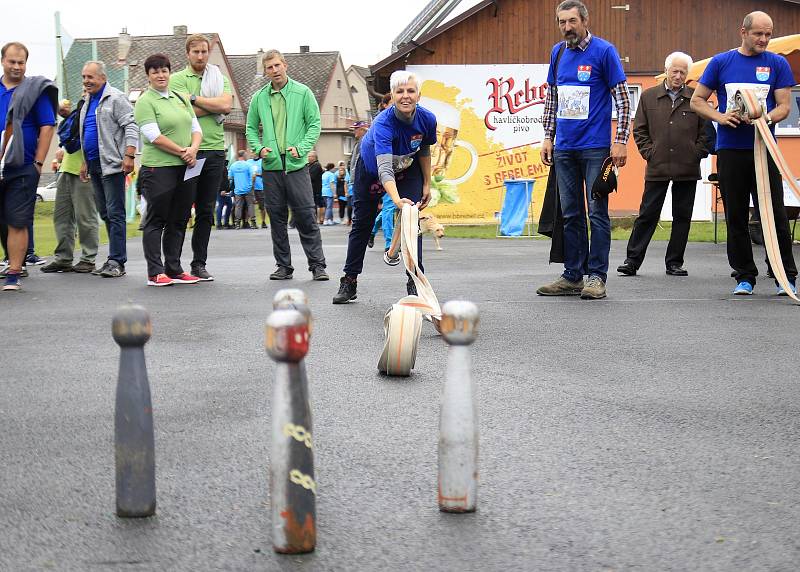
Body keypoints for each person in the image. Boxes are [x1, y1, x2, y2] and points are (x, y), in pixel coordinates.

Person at [691, 10, 797, 295]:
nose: (764, 39)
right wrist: (721, 118)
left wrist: (767, 118)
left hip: (764, 149)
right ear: (743, 32)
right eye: (758, 34)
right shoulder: (722, 62)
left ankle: (784, 276)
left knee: (773, 214)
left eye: (768, 34)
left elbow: (785, 106)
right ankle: (744, 276)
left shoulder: (777, 63)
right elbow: (697, 101)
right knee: (736, 215)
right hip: (731, 150)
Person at [536, 0, 631, 300]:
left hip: (595, 148)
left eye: (572, 21)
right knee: (571, 214)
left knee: (597, 214)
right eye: (562, 22)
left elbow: (624, 99)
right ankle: (572, 275)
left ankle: (596, 277)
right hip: (564, 148)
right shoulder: (558, 52)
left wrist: (621, 141)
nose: (567, 27)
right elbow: (552, 97)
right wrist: (548, 136)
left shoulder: (604, 51)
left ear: (585, 21)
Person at [333, 70, 436, 304]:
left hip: (407, 168)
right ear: (392, 94)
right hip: (371, 171)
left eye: (411, 91)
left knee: (411, 222)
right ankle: (349, 281)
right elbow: (384, 169)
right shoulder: (383, 123)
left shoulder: (427, 119)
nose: (405, 96)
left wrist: (427, 184)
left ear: (419, 95)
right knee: (362, 224)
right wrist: (397, 200)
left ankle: (415, 280)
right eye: (400, 91)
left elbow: (425, 150)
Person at [616, 52, 710, 278]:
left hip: (687, 168)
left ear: (688, 75)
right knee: (647, 214)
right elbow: (639, 130)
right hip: (657, 166)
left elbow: (706, 134)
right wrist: (650, 153)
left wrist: (696, 154)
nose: (678, 76)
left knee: (682, 216)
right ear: (666, 71)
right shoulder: (648, 97)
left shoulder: (696, 98)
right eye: (674, 71)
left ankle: (674, 263)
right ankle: (632, 261)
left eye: (682, 72)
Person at [246, 49, 328, 281]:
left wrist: (301, 148)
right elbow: (251, 128)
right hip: (271, 165)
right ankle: (283, 266)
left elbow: (314, 124)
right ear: (266, 71)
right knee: (277, 218)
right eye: (269, 67)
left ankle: (317, 265)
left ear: (285, 65)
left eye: (277, 65)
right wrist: (259, 148)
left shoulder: (303, 93)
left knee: (305, 215)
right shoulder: (259, 97)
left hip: (296, 164)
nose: (274, 70)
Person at [134, 53, 203, 287]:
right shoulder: (146, 101)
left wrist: (193, 150)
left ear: (169, 72)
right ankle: (155, 271)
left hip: (186, 167)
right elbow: (153, 136)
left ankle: (174, 268)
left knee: (179, 219)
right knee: (157, 219)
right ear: (148, 76)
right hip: (159, 169)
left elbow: (196, 128)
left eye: (164, 70)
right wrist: (183, 151)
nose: (161, 75)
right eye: (155, 72)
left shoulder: (179, 98)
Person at [169, 34, 233, 282]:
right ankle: (173, 264)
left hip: (215, 151)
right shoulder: (177, 80)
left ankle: (199, 264)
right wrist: (211, 105)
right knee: (182, 208)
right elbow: (180, 112)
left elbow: (226, 106)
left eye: (204, 52)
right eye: (195, 52)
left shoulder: (219, 78)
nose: (200, 56)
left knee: (207, 210)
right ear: (188, 53)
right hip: (189, 152)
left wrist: (194, 99)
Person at [0, 41, 57, 291]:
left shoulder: (36, 90)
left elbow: (47, 126)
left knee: (18, 221)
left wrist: (38, 162)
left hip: (23, 166)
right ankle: (13, 261)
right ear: (3, 61)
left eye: (21, 62)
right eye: (12, 61)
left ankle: (14, 272)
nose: (16, 66)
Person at [78, 60, 139, 279]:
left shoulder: (116, 98)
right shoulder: (87, 101)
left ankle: (117, 261)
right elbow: (88, 132)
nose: (86, 81)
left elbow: (131, 125)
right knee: (105, 213)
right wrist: (85, 161)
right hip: (94, 165)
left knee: (115, 214)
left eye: (90, 77)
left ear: (103, 78)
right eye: (84, 77)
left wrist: (129, 155)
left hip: (113, 165)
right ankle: (112, 259)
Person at [40, 100, 99, 273]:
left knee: (85, 217)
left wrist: (86, 161)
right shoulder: (81, 108)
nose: (85, 85)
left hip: (84, 169)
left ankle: (88, 259)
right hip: (65, 169)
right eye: (84, 80)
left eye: (90, 79)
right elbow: (74, 133)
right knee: (62, 217)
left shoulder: (98, 109)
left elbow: (93, 137)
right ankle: (63, 258)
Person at [229, 150, 255, 228]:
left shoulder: (233, 165)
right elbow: (253, 176)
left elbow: (230, 177)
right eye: (246, 155)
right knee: (250, 205)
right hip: (248, 188)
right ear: (244, 156)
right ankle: (253, 222)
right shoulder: (248, 165)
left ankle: (237, 223)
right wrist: (251, 185)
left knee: (238, 206)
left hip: (238, 189)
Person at [248, 152, 268, 228]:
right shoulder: (248, 162)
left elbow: (266, 174)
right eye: (251, 153)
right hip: (250, 187)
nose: (252, 154)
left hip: (260, 187)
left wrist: (257, 175)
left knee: (262, 206)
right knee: (249, 205)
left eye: (254, 153)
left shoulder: (262, 162)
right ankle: (249, 222)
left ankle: (263, 221)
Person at [307, 150, 324, 223]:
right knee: (312, 205)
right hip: (310, 189)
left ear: (314, 157)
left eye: (310, 156)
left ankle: (315, 220)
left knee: (315, 204)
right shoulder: (309, 165)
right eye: (308, 156)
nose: (308, 158)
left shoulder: (316, 165)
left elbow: (311, 177)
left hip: (315, 189)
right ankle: (314, 219)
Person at [215, 160, 233, 229]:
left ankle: (225, 223)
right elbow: (219, 179)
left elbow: (225, 179)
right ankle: (219, 224)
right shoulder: (220, 167)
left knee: (229, 205)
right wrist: (221, 189)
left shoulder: (223, 166)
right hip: (222, 190)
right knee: (221, 206)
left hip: (225, 190)